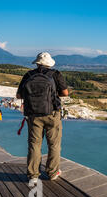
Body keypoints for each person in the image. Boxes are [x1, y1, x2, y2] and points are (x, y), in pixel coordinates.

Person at [16, 52, 69, 185]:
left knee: (34, 145)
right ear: (49, 63)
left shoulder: (29, 75)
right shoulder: (55, 74)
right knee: (54, 145)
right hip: (52, 114)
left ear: (37, 63)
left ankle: (33, 175)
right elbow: (65, 93)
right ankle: (52, 172)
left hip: (33, 115)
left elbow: (18, 95)